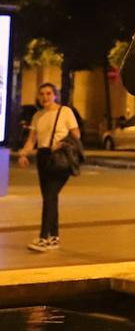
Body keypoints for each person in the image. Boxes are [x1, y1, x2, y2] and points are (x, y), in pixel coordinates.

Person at [18, 83, 79, 252]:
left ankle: (44, 238)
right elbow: (32, 139)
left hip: (60, 158)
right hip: (43, 157)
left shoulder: (65, 112)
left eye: (48, 93)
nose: (45, 97)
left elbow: (76, 135)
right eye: (42, 94)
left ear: (55, 95)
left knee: (49, 197)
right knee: (50, 197)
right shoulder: (38, 116)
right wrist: (24, 154)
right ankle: (54, 237)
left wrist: (61, 143)